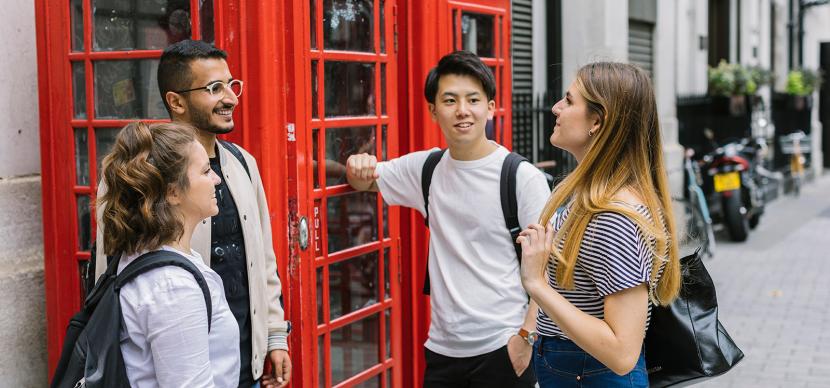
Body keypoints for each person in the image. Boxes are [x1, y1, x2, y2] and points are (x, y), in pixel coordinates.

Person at [346, 50, 550, 387]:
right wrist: (358, 163)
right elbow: (363, 179)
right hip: (442, 351)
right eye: (450, 100)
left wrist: (526, 338)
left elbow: (550, 268)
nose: (462, 110)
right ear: (433, 110)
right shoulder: (426, 169)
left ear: (491, 107)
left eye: (473, 99)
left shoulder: (521, 177)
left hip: (504, 345)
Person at [95, 40, 291, 388]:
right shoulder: (142, 174)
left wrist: (275, 335)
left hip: (247, 361)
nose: (230, 98)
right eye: (214, 88)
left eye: (232, 85)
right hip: (178, 363)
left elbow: (264, 260)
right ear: (176, 101)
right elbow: (109, 276)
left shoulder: (244, 164)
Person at [516, 62, 682, 387]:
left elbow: (622, 353)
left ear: (597, 120)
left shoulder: (614, 217)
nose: (556, 108)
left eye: (568, 100)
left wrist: (536, 283)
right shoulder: (591, 196)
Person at [99, 121, 238, 386]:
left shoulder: (153, 258)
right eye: (206, 171)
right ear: (173, 192)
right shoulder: (173, 288)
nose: (216, 179)